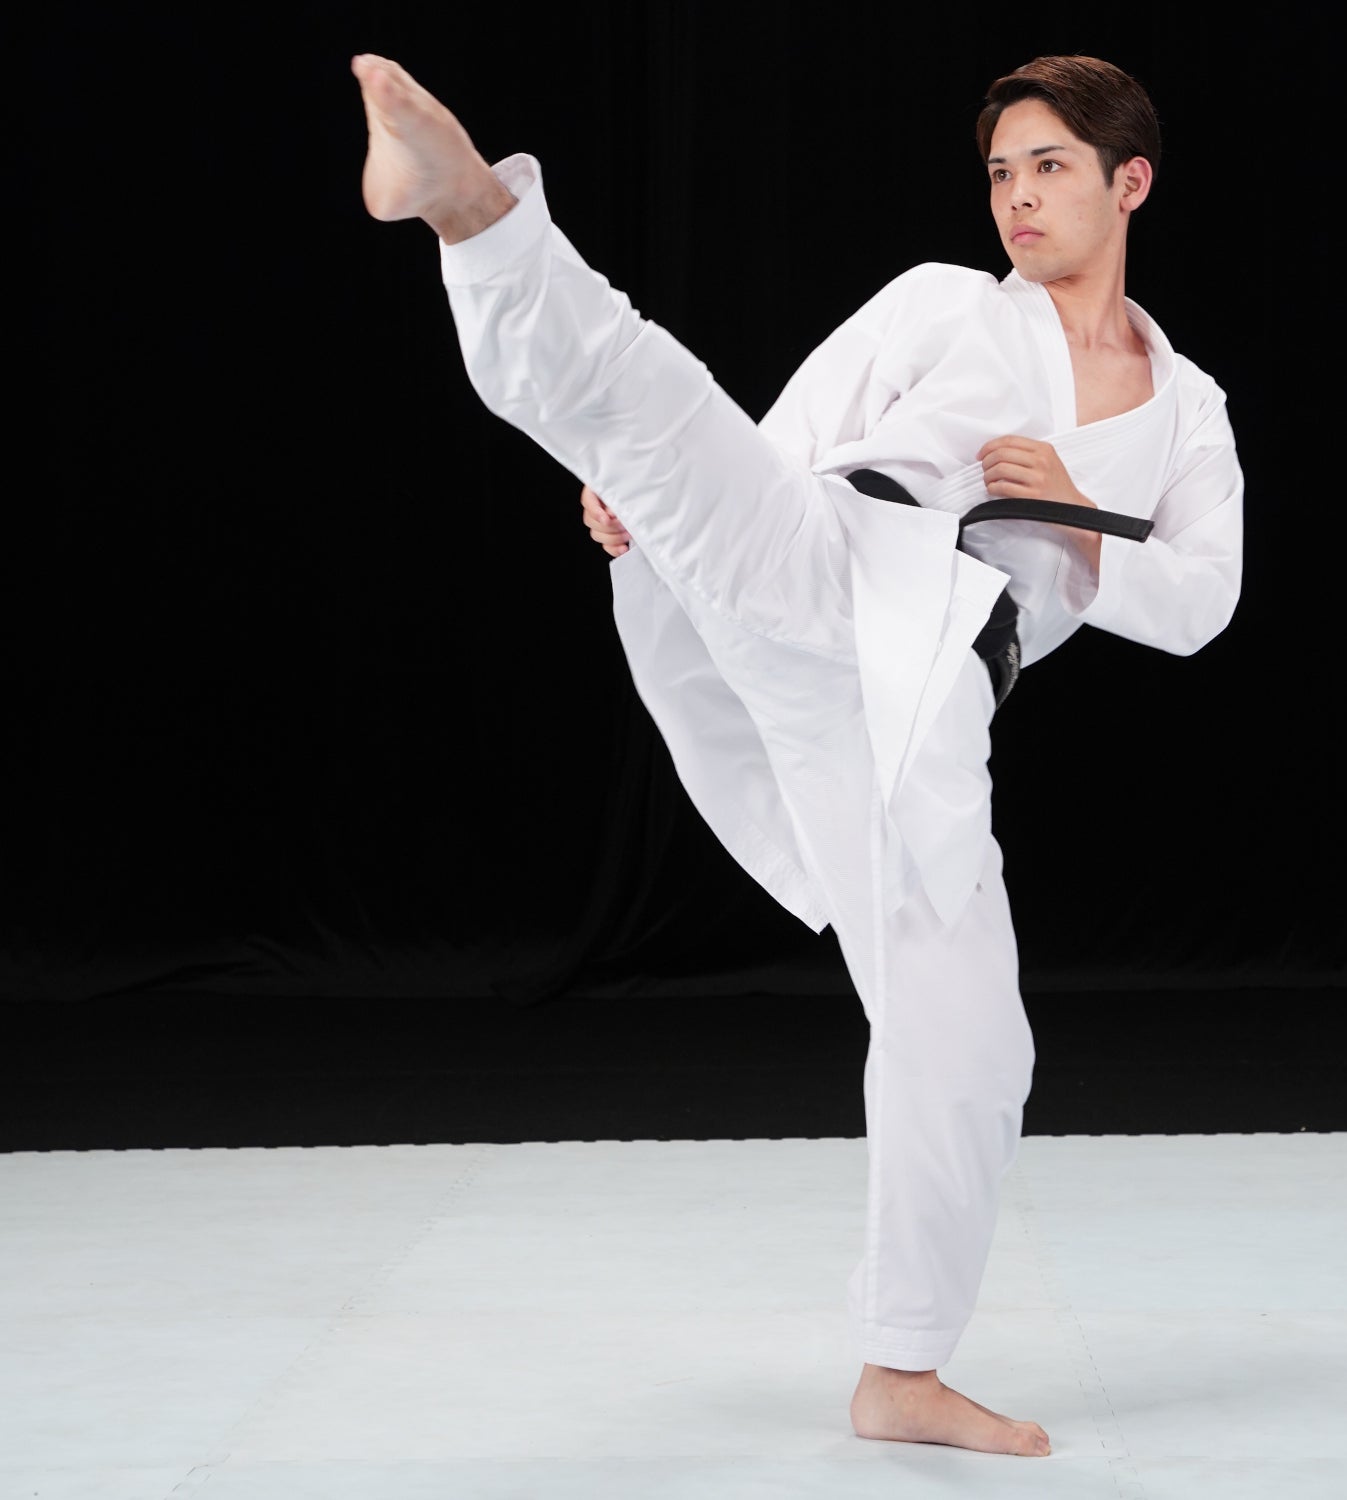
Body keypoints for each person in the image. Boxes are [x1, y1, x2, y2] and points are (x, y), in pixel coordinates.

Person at [351, 48, 1242, 1458]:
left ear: (1131, 182)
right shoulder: (944, 303)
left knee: (973, 1045)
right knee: (652, 399)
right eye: (1003, 170)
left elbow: (1202, 604)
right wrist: (678, 517)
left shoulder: (1187, 411)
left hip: (925, 702)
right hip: (828, 557)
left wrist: (1081, 521)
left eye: (1051, 167)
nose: (1018, 197)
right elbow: (791, 435)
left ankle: (901, 1371)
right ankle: (470, 211)